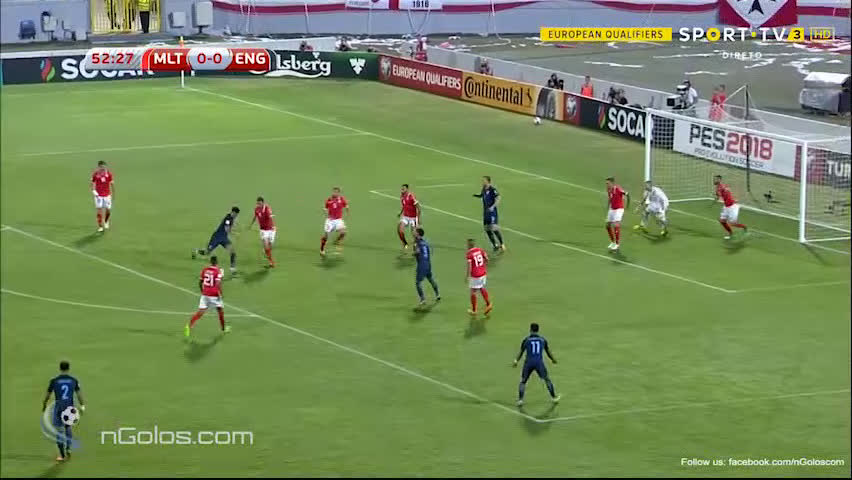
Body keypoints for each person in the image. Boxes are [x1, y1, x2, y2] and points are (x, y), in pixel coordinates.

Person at [42, 361, 85, 461]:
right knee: (68, 427)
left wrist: (44, 404)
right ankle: (68, 448)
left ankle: (62, 455)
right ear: (68, 368)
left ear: (60, 368)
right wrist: (82, 405)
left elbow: (48, 394)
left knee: (59, 431)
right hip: (69, 407)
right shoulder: (73, 380)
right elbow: (79, 394)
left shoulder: (54, 381)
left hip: (59, 407)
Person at [513, 323, 560, 406]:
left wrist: (516, 361)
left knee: (523, 381)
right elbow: (548, 351)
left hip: (528, 363)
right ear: (538, 330)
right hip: (539, 363)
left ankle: (520, 400)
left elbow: (521, 351)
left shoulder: (526, 340)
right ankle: (554, 398)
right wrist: (553, 359)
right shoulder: (542, 340)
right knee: (547, 380)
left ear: (530, 330)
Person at [186, 256, 230, 338]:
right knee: (220, 311)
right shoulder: (218, 271)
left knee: (200, 312)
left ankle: (189, 325)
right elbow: (218, 284)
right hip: (214, 295)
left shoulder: (205, 270)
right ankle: (224, 329)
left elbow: (200, 282)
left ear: (210, 262)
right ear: (216, 262)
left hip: (205, 294)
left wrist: (202, 291)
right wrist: (220, 293)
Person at [193, 207, 240, 276]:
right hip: (216, 237)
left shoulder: (231, 218)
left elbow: (228, 228)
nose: (236, 216)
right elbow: (227, 229)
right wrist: (235, 233)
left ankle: (232, 268)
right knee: (207, 252)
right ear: (233, 212)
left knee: (232, 252)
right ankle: (196, 251)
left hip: (224, 238)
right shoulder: (228, 218)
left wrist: (234, 229)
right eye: (236, 214)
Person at [472, 176, 505, 253]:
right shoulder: (484, 189)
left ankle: (502, 244)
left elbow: (498, 198)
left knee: (494, 228)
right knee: (487, 229)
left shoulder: (492, 190)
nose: (482, 182)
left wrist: (493, 207)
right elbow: (482, 195)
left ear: (488, 181)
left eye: (484, 180)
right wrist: (476, 195)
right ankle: (495, 245)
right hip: (486, 212)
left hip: (492, 213)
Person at [713, 175, 747, 240]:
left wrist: (732, 200)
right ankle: (730, 233)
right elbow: (719, 196)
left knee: (733, 224)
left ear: (719, 180)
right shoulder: (718, 188)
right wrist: (717, 197)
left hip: (732, 207)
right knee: (722, 221)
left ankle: (744, 227)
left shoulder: (723, 187)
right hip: (726, 207)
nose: (714, 180)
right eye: (714, 179)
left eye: (716, 179)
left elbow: (726, 193)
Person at [413, 228, 440, 306]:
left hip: (421, 264)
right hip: (428, 263)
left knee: (418, 282)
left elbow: (417, 251)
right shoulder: (425, 242)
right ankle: (437, 294)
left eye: (415, 231)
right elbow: (429, 251)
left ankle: (422, 299)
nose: (413, 232)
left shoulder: (417, 242)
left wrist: (413, 253)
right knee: (430, 279)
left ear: (418, 233)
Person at [465, 239, 492, 316]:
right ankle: (488, 304)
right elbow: (487, 259)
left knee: (473, 292)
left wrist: (467, 276)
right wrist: (482, 267)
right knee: (482, 288)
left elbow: (469, 266)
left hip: (475, 275)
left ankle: (474, 310)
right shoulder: (480, 250)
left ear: (469, 245)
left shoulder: (469, 254)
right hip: (483, 273)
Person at [248, 196, 276, 268]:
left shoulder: (267, 208)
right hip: (263, 230)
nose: (258, 205)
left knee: (270, 246)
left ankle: (266, 251)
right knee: (266, 246)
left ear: (263, 203)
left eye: (260, 203)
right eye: (257, 203)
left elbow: (270, 217)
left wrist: (270, 218)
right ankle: (271, 262)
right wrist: (251, 224)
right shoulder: (257, 209)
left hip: (271, 229)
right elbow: (255, 217)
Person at [321, 187, 349, 256]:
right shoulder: (329, 199)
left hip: (338, 220)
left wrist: (347, 213)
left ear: (339, 193)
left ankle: (337, 241)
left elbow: (346, 206)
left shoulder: (342, 199)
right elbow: (325, 208)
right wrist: (327, 216)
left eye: (336, 192)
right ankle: (322, 249)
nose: (334, 193)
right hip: (330, 220)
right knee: (326, 236)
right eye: (334, 192)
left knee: (343, 232)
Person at [605, 177, 630, 251]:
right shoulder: (608, 189)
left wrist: (627, 206)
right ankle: (613, 242)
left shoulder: (618, 189)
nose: (607, 185)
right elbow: (610, 198)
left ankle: (617, 244)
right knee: (607, 225)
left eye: (608, 183)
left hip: (619, 209)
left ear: (612, 183)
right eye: (606, 183)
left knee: (616, 225)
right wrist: (608, 207)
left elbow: (627, 194)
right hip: (612, 209)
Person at [91, 160, 114, 233]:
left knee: (108, 209)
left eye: (104, 166)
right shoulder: (95, 174)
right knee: (99, 211)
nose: (102, 168)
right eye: (101, 167)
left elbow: (112, 184)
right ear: (98, 167)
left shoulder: (109, 174)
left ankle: (106, 221)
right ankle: (100, 226)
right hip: (99, 196)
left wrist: (113, 194)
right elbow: (92, 183)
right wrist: (93, 191)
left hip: (107, 195)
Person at [398, 184, 421, 251]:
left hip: (413, 218)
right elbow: (404, 205)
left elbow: (419, 208)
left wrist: (418, 219)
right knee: (400, 230)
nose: (402, 190)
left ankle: (416, 246)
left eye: (403, 189)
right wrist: (400, 213)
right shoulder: (402, 197)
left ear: (407, 189)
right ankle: (405, 243)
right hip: (405, 217)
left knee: (414, 234)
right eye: (401, 189)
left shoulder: (411, 196)